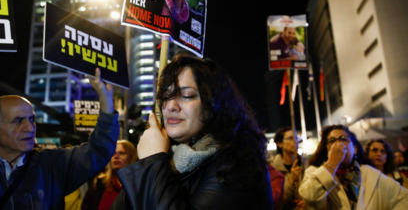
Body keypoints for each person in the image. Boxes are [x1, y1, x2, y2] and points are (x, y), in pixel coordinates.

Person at [0, 37, 120, 209]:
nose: (30, 128)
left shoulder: (52, 165)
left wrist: (105, 100)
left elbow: (99, 151)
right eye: (18, 121)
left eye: (32, 119)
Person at [110, 53, 273, 209]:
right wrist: (147, 162)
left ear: (213, 105)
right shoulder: (167, 154)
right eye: (166, 96)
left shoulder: (238, 163)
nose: (171, 106)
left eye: (187, 95)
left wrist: (153, 162)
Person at [299, 125, 408, 210]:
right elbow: (310, 197)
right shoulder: (314, 172)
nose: (338, 144)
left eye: (343, 139)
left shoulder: (370, 173)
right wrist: (332, 163)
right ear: (326, 149)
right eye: (332, 141)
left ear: (354, 148)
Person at [82, 140, 138, 210]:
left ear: (132, 157)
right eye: (113, 153)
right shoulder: (99, 183)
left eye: (121, 153)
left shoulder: (138, 185)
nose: (116, 156)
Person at [272, 127, 306, 210]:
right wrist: (291, 180)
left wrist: (308, 202)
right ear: (280, 144)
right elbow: (276, 201)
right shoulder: (273, 169)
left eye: (296, 138)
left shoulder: (307, 164)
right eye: (291, 138)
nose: (295, 141)